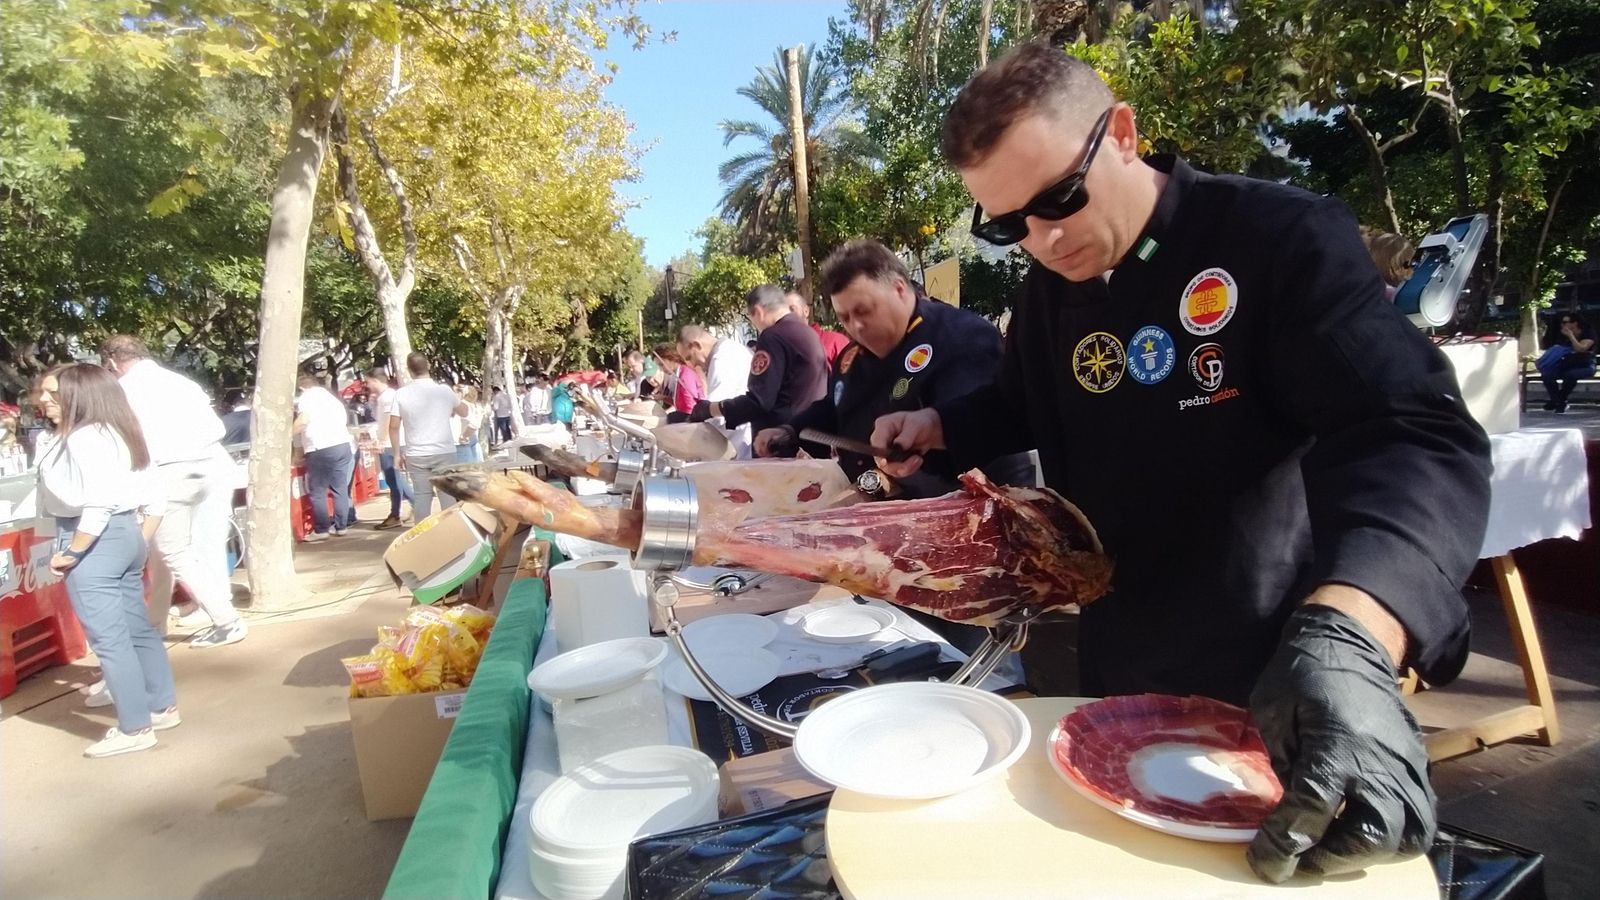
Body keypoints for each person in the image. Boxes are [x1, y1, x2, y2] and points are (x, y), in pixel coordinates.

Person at [870, 43, 1491, 883]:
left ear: (1121, 132)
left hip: (1282, 656)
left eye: (1057, 199)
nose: (1043, 240)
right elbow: (1020, 405)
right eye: (1007, 226)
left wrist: (1357, 628)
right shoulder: (1049, 291)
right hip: (1123, 649)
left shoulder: (1275, 239)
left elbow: (1408, 428)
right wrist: (939, 422)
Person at [758, 240, 1035, 498]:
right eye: (845, 318)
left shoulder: (960, 336)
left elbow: (977, 430)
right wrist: (790, 431)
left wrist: (885, 475)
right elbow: (835, 407)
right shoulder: (851, 357)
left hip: (974, 506)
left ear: (900, 289)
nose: (856, 326)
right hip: (881, 511)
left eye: (864, 311)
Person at [36, 364, 179, 757]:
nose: (44, 400)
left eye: (53, 392)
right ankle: (160, 704)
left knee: (111, 640)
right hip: (122, 535)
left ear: (78, 394)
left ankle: (135, 727)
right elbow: (149, 494)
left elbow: (97, 502)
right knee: (135, 629)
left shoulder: (84, 439)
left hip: (94, 536)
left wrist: (74, 550)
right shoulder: (116, 432)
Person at [101, 335, 247, 649]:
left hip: (168, 474)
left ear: (112, 361)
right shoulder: (181, 383)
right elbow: (217, 429)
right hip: (206, 468)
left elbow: (121, 443)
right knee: (167, 551)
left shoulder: (123, 391)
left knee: (175, 552)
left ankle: (227, 620)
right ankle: (156, 623)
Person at [688, 285, 827, 442]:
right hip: (812, 435)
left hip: (780, 442)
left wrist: (711, 409)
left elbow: (759, 401)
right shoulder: (809, 333)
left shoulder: (773, 337)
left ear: (758, 312)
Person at [391, 352, 468, 519]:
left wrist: (397, 454)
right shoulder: (444, 391)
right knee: (447, 494)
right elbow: (464, 411)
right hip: (444, 451)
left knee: (421, 496)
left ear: (409, 370)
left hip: (416, 454)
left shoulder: (401, 394)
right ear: (429, 366)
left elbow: (394, 426)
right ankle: (452, 530)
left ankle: (422, 535)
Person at [293, 374, 355, 542]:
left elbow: (303, 421)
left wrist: (287, 434)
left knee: (318, 490)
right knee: (340, 488)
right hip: (342, 445)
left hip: (321, 447)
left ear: (301, 388)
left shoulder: (307, 398)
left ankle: (321, 529)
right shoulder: (332, 399)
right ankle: (341, 526)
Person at [678, 324, 754, 456]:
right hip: (741, 440)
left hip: (741, 445)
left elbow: (715, 414)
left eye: (690, 357)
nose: (692, 365)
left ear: (696, 345)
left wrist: (689, 422)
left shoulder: (722, 358)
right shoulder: (730, 349)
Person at [364, 369, 410, 529]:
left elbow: (389, 421)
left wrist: (380, 441)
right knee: (396, 480)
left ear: (376, 380)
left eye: (368, 381)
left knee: (394, 480)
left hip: (389, 444)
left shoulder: (387, 398)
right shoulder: (389, 396)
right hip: (392, 442)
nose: (367, 385)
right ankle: (396, 513)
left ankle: (399, 512)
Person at [1535, 312, 1595, 413]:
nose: (1562, 325)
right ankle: (1558, 401)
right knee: (1547, 375)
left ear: (1575, 323)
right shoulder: (1562, 335)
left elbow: (1581, 349)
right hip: (1565, 364)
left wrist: (1571, 336)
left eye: (1565, 322)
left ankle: (1558, 400)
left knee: (1570, 375)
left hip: (1584, 364)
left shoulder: (1587, 333)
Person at [787, 291, 850, 366]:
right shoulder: (778, 347)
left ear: (806, 311)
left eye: (792, 309)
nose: (787, 314)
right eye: (783, 311)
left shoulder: (835, 341)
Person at [652, 343, 705, 422]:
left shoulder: (685, 376)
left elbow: (689, 408)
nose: (661, 369)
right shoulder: (680, 373)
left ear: (671, 358)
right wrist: (664, 398)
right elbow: (682, 403)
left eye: (661, 365)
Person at [454, 385, 485, 462]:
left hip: (462, 442)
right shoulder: (475, 405)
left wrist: (463, 436)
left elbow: (473, 424)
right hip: (472, 439)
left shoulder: (463, 405)